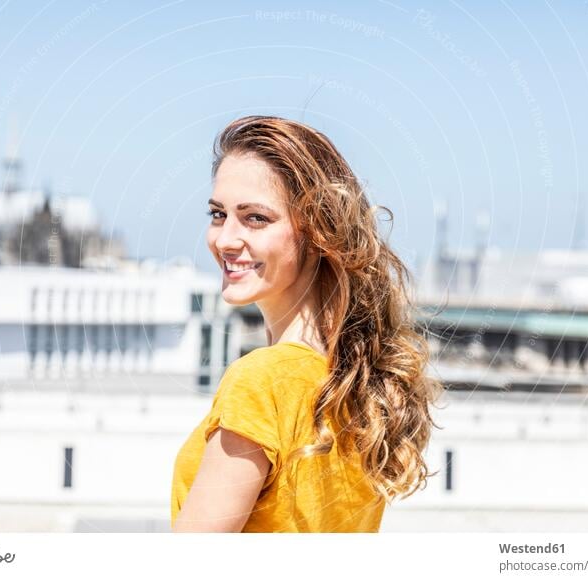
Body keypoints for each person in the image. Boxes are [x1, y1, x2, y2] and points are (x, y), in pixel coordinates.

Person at [171, 115, 443, 533]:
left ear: (317, 230)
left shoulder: (262, 381)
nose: (225, 239)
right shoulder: (355, 382)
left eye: (256, 218)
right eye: (218, 214)